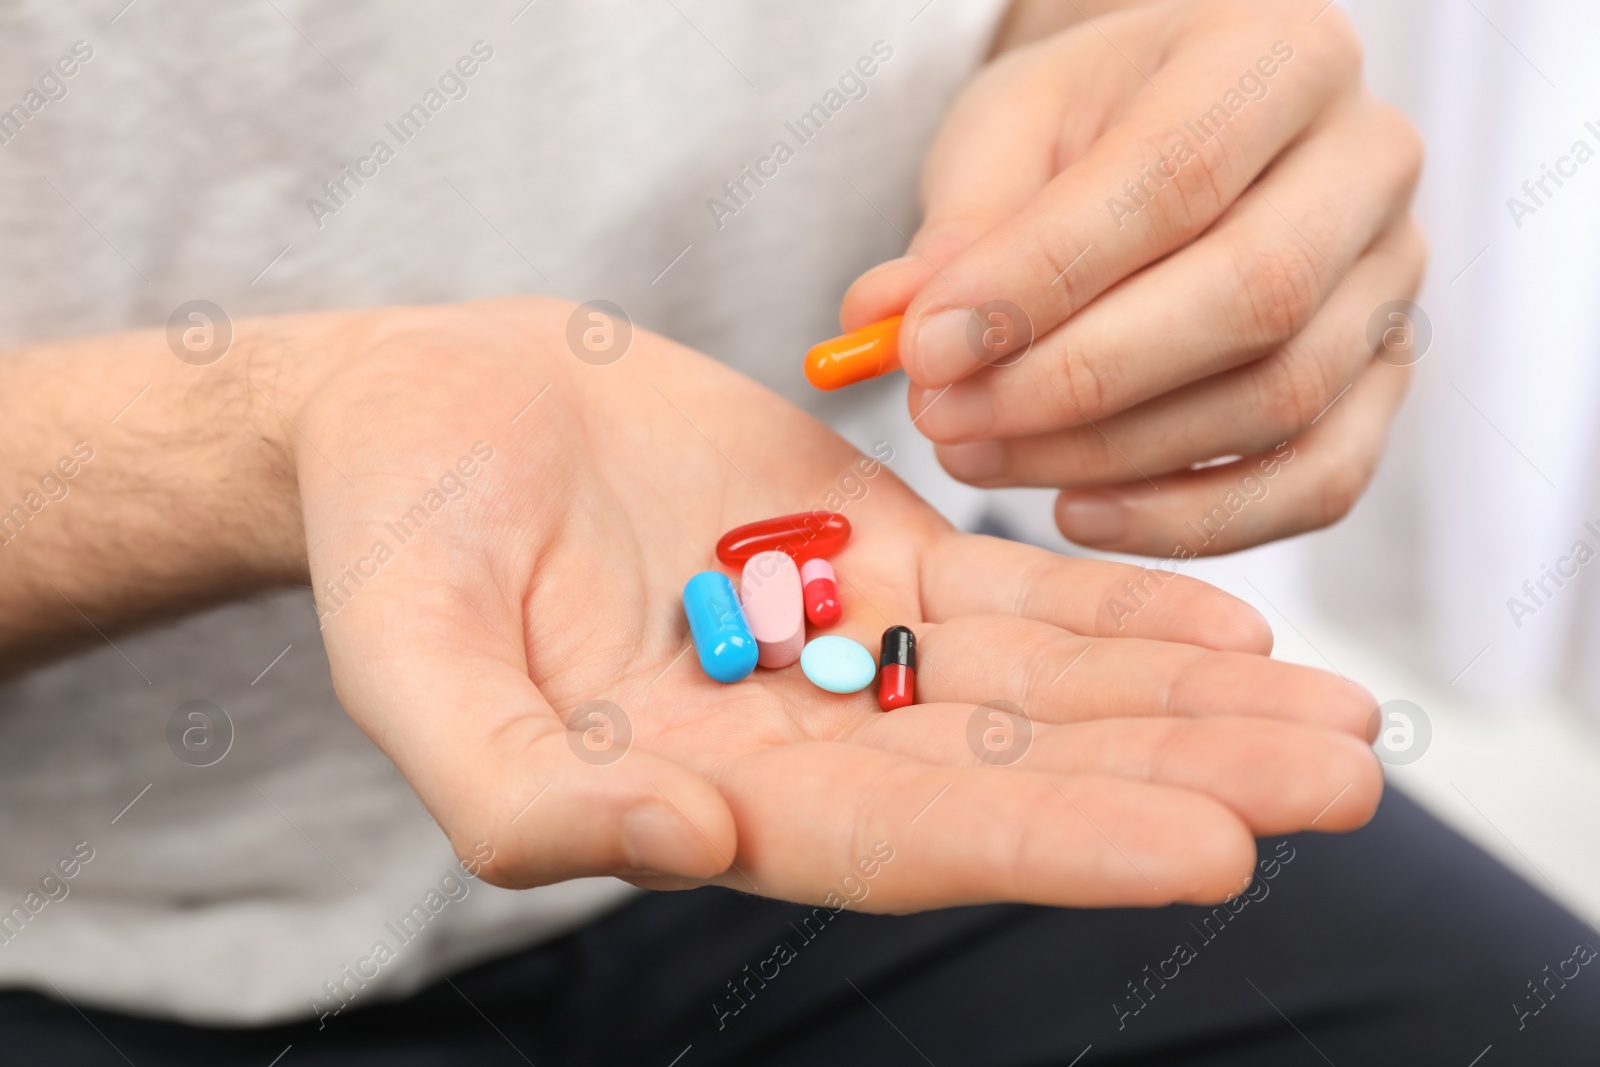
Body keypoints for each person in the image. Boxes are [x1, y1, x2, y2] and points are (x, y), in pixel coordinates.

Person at [0, 1, 1593, 1063]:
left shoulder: (837, 643)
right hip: (80, 928)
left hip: (910, 714)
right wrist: (273, 436)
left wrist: (1141, 84)